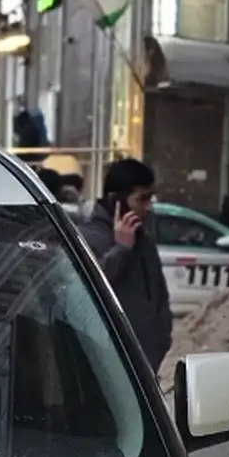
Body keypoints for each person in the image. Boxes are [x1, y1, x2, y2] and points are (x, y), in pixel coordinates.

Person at [78, 157, 173, 372]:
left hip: (147, 361)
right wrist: (121, 250)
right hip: (107, 366)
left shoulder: (144, 240)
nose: (148, 207)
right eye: (142, 199)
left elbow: (159, 294)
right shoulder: (88, 238)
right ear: (116, 200)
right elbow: (85, 290)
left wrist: (161, 337)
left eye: (151, 198)